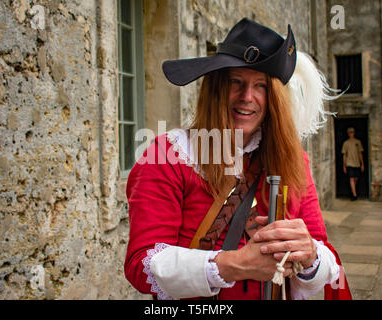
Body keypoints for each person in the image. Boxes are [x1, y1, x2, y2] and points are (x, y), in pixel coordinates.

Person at [124, 18, 352, 300]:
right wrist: (237, 265)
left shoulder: (294, 160)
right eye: (236, 82)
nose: (247, 97)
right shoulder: (167, 155)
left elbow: (323, 258)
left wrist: (309, 254)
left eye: (261, 86)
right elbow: (141, 265)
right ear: (217, 88)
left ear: (275, 99)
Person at [342, 127, 364, 201]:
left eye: (352, 132)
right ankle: (354, 194)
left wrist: (362, 164)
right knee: (351, 178)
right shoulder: (346, 143)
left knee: (355, 178)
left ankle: (353, 191)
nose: (351, 134)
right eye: (350, 132)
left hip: (357, 163)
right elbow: (344, 154)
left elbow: (360, 153)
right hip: (349, 163)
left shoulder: (358, 142)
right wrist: (344, 165)